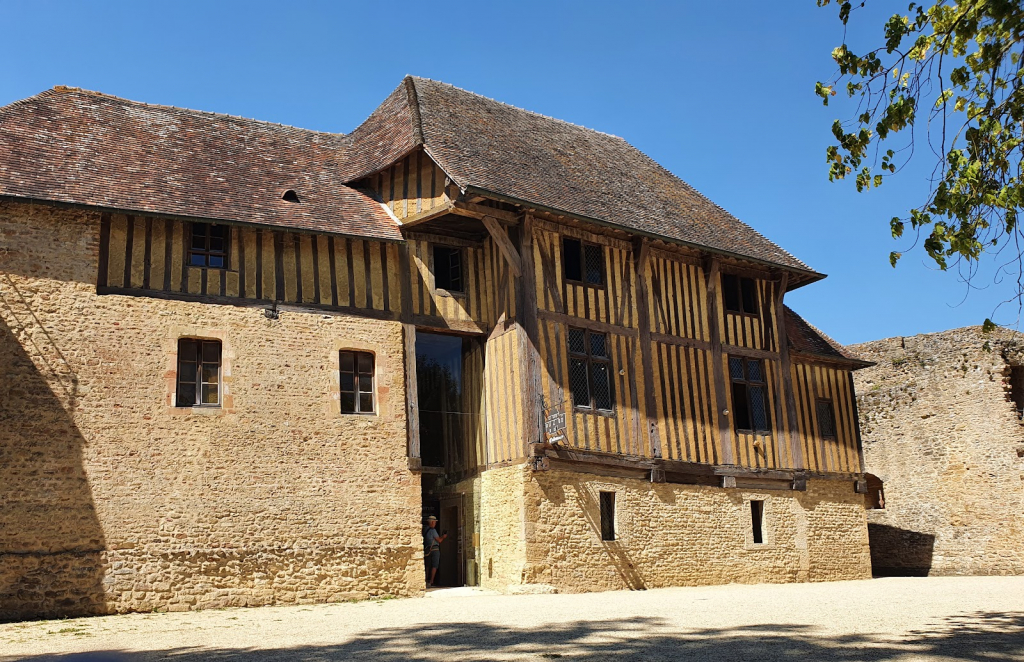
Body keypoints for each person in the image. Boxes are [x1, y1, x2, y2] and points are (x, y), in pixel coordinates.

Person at [423, 515, 447, 587]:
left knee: (427, 565)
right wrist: (443, 537)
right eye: (435, 522)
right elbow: (439, 540)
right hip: (434, 549)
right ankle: (431, 581)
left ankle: (426, 580)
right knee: (434, 565)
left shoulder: (425, 529)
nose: (435, 524)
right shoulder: (433, 530)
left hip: (427, 550)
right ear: (432, 522)